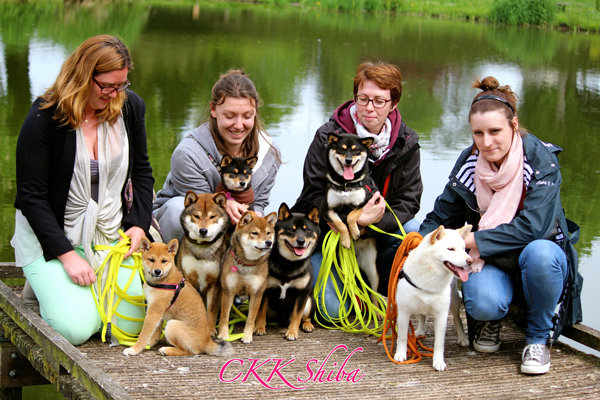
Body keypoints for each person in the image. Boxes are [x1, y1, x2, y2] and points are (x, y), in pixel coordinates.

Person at [419, 76, 581, 375]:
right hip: (492, 260)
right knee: (482, 303)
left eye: (495, 131)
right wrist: (418, 244)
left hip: (539, 258)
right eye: (478, 133)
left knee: (541, 253)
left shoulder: (541, 162)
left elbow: (534, 228)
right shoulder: (470, 162)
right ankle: (489, 320)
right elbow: (441, 216)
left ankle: (537, 339)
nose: (486, 142)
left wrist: (469, 241)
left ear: (514, 125)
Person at [12, 35, 154, 345]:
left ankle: (67, 290)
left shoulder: (130, 108)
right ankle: (44, 283)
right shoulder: (44, 117)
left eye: (122, 85)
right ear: (83, 76)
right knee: (75, 330)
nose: (115, 94)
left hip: (107, 232)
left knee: (133, 324)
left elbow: (142, 172)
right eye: (107, 86)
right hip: (52, 235)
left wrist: (139, 225)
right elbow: (30, 196)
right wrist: (67, 255)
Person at [291, 61, 422, 315]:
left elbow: (409, 201)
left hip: (374, 237)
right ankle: (346, 288)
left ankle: (380, 290)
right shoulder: (327, 136)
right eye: (363, 99)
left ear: (393, 103)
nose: (369, 108)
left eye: (379, 101)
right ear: (354, 98)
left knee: (413, 232)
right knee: (333, 312)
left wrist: (367, 225)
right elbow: (312, 197)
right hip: (326, 236)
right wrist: (353, 220)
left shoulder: (407, 143)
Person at [153, 70, 281, 241]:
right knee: (178, 209)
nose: (238, 125)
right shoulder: (188, 153)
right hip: (188, 221)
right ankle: (176, 265)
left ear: (256, 111)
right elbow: (200, 207)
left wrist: (255, 214)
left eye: (247, 116)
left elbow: (260, 202)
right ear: (213, 110)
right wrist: (226, 205)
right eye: (229, 116)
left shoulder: (270, 153)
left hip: (235, 225)